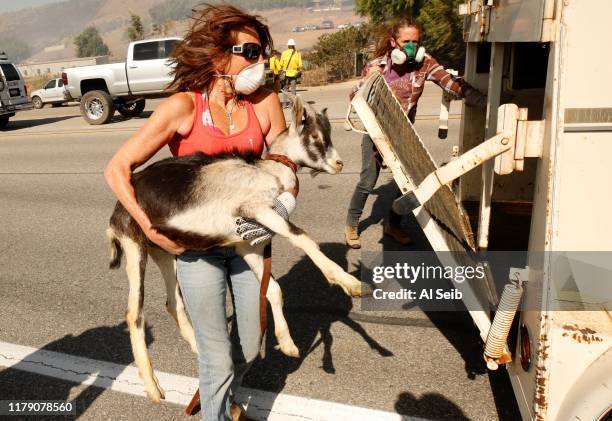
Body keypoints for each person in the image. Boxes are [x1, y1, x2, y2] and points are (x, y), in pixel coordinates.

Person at [104, 5, 291, 421]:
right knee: (216, 356)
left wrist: (283, 204)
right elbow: (117, 169)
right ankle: (217, 408)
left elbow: (287, 169)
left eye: (262, 53)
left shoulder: (265, 103)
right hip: (197, 251)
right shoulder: (183, 108)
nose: (259, 62)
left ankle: (220, 395)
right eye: (250, 51)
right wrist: (151, 229)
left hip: (248, 240)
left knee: (250, 340)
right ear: (218, 56)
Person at [344, 18, 486, 249]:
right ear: (393, 42)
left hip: (403, 134)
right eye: (405, 41)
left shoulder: (424, 63)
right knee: (367, 182)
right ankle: (351, 225)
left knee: (408, 185)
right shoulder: (377, 65)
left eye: (415, 41)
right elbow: (354, 97)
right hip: (376, 132)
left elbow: (450, 83)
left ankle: (393, 224)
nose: (411, 47)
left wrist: (481, 100)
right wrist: (368, 79)